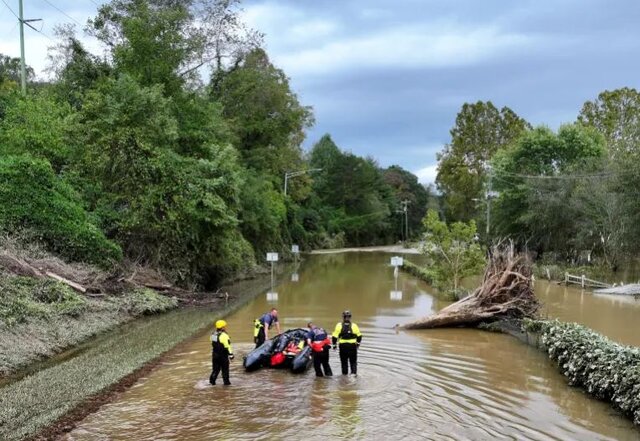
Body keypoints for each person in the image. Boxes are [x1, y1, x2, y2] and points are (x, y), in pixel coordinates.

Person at [332, 310, 362, 375]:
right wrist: (358, 344)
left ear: (343, 317)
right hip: (352, 346)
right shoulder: (354, 326)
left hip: (343, 346)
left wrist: (334, 345)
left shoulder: (338, 325)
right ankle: (353, 376)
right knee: (353, 362)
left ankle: (344, 378)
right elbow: (359, 336)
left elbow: (334, 337)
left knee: (344, 362)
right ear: (350, 317)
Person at [210, 319, 234, 386]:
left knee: (215, 370)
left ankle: (212, 382)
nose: (225, 327)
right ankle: (227, 384)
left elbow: (212, 343)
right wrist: (231, 355)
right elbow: (227, 346)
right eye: (225, 326)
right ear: (222, 327)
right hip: (223, 356)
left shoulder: (213, 334)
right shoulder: (224, 335)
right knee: (225, 371)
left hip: (215, 355)